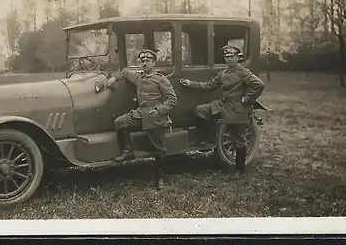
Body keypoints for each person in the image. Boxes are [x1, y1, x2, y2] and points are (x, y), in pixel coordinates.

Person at [180, 44, 265, 174]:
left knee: (239, 139)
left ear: (237, 58)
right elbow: (209, 86)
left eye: (231, 56)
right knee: (200, 111)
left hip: (237, 107)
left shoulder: (243, 72)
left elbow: (259, 84)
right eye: (226, 56)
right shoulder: (223, 73)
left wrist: (247, 99)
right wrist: (190, 83)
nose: (228, 59)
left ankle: (239, 170)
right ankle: (206, 139)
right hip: (223, 104)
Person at [103, 49, 178, 163]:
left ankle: (161, 177)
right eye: (142, 61)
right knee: (120, 122)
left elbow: (172, 99)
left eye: (147, 61)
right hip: (140, 113)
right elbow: (124, 72)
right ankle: (127, 151)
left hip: (155, 117)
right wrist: (112, 79)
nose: (144, 63)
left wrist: (158, 111)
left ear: (154, 63)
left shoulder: (161, 80)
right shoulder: (139, 78)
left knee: (159, 149)